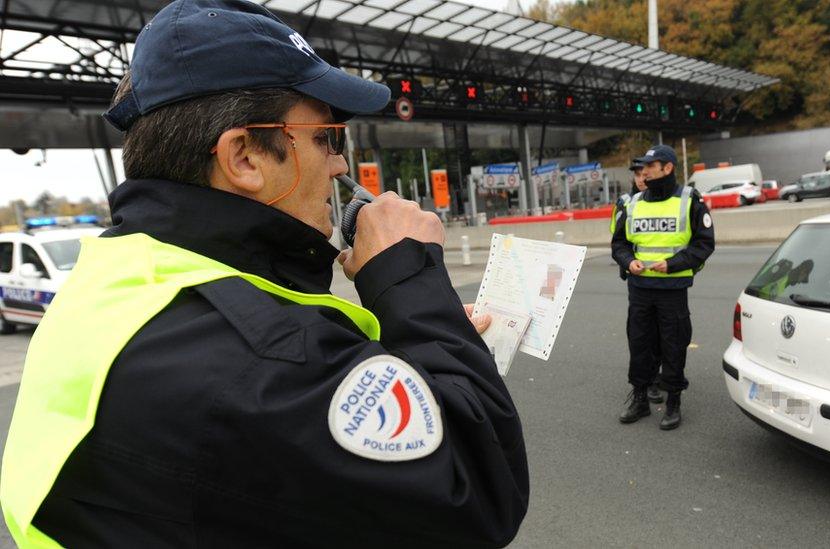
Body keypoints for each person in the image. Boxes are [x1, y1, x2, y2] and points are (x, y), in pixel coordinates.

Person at [0, 1, 528, 547]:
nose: (341, 165)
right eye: (328, 137)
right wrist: (408, 279)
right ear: (245, 158)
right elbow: (479, 494)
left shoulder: (119, 280)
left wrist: (422, 339)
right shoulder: (259, 358)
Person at [611, 145, 715, 430]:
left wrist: (673, 264)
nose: (643, 171)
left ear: (667, 168)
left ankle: (673, 402)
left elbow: (704, 244)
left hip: (672, 289)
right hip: (639, 287)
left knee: (673, 345)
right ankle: (641, 398)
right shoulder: (633, 203)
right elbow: (619, 243)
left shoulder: (689, 200)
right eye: (642, 167)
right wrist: (628, 260)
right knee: (640, 344)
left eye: (650, 166)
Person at [610, 158, 649, 280]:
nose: (641, 180)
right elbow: (616, 233)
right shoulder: (625, 202)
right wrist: (626, 261)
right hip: (632, 265)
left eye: (644, 175)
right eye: (637, 175)